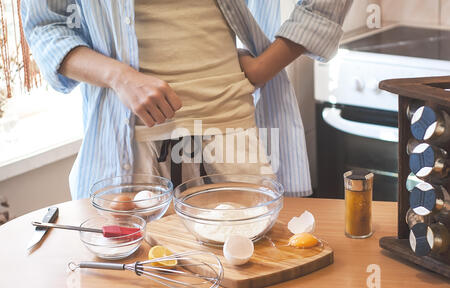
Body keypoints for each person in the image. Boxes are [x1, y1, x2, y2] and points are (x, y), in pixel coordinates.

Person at [21, 0, 353, 199]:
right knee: (134, 280)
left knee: (246, 274)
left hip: (229, 133)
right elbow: (46, 27)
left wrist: (263, 67)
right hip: (128, 143)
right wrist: (119, 77)